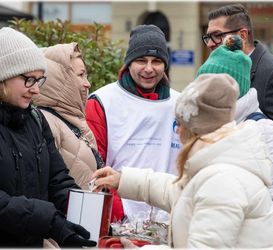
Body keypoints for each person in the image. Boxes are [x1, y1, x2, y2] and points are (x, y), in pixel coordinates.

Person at [91, 73, 273, 248]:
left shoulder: (222, 180)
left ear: (196, 129)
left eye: (180, 124)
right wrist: (122, 179)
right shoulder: (219, 163)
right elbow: (180, 193)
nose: (177, 130)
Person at [197, 34, 273, 248]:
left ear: (231, 91)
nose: (202, 95)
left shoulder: (267, 134)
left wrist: (219, 231)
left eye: (210, 88)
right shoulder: (210, 131)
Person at [0, 27, 96, 247]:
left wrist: (88, 215)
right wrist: (49, 220)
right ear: (3, 77)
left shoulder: (34, 119)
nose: (36, 90)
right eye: (29, 80)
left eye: (39, 80)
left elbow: (58, 179)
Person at [86, 24, 181, 223]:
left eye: (156, 61)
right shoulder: (102, 101)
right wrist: (119, 216)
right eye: (141, 60)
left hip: (170, 220)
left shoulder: (181, 103)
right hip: (120, 221)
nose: (149, 68)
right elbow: (92, 167)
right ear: (128, 63)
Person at [201, 3, 273, 144]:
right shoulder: (218, 69)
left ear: (242, 36)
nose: (210, 44)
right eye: (208, 37)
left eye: (217, 35)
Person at [32, 43, 103, 191]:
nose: (87, 84)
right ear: (60, 80)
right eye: (80, 75)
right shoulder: (48, 123)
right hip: (67, 214)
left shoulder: (70, 119)